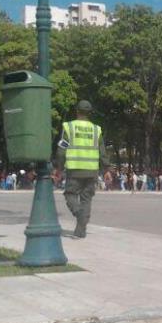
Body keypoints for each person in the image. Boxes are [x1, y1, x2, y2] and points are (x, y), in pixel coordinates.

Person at [57, 100, 110, 238]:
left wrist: (58, 167)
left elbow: (61, 150)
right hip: (92, 171)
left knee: (70, 194)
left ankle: (79, 214)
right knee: (86, 199)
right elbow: (102, 152)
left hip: (74, 169)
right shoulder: (96, 129)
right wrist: (106, 169)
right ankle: (80, 231)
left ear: (77, 111)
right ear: (89, 113)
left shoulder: (69, 127)